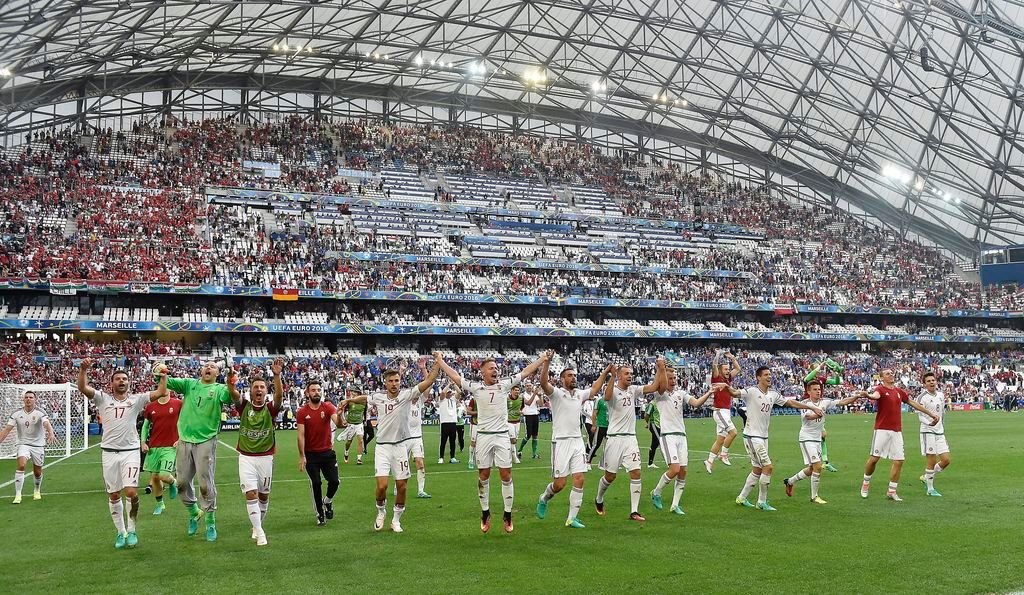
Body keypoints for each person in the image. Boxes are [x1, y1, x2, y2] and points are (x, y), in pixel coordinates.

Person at [436, 353, 547, 533]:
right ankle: (485, 512)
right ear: (482, 372)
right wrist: (440, 362)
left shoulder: (504, 385)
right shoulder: (476, 388)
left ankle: (508, 514)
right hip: (484, 436)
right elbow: (456, 376)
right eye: (491, 368)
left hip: (502, 435)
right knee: (483, 475)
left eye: (496, 368)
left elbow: (526, 372)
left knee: (506, 475)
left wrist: (542, 360)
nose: (495, 370)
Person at [340, 355, 441, 532]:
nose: (394, 383)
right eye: (391, 381)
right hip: (383, 447)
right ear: (385, 382)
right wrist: (349, 400)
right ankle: (381, 511)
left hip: (401, 446)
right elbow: (364, 398)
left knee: (402, 486)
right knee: (382, 486)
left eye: (397, 380)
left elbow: (430, 380)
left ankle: (396, 519)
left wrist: (438, 362)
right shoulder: (378, 396)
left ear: (400, 381)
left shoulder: (407, 394)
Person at [77, 358, 168, 549]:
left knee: (132, 492)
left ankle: (132, 529)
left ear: (129, 383)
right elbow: (83, 388)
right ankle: (121, 532)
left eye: (124, 379)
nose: (121, 381)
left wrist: (163, 375)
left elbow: (160, 392)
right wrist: (83, 370)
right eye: (117, 379)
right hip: (109, 453)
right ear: (112, 383)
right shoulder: (103, 398)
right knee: (113, 495)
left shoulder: (136, 400)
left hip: (130, 452)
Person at [723, 365, 823, 511]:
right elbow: (734, 392)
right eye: (765, 375)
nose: (769, 377)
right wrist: (724, 386)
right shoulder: (751, 391)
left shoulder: (773, 394)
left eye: (770, 374)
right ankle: (761, 502)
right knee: (768, 467)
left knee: (757, 469)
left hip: (763, 437)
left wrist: (812, 407)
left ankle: (742, 498)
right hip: (752, 436)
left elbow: (791, 403)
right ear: (758, 377)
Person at [159, 360, 238, 541]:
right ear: (201, 370)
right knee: (181, 484)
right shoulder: (189, 384)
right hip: (185, 440)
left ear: (218, 373)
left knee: (204, 485)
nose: (208, 367)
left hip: (206, 440)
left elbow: (232, 396)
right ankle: (194, 512)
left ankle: (210, 521)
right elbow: (166, 381)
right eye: (206, 365)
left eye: (213, 366)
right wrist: (160, 371)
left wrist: (230, 378)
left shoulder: (219, 389)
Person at [536, 356, 611, 528]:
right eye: (569, 375)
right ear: (562, 379)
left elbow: (593, 389)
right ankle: (544, 497)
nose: (573, 378)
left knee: (579, 478)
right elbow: (543, 383)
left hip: (577, 441)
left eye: (574, 375)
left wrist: (606, 372)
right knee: (560, 484)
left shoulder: (579, 394)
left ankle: (571, 518)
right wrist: (546, 363)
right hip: (561, 442)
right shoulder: (556, 393)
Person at [857, 369, 939, 501]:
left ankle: (892, 491)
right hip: (882, 429)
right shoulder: (881, 389)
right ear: (882, 378)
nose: (891, 374)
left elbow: (912, 403)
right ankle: (865, 483)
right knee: (874, 459)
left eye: (892, 373)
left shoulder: (899, 391)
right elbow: (875, 396)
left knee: (899, 460)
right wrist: (868, 395)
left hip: (896, 431)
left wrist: (930, 414)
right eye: (888, 373)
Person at [649, 364, 720, 515]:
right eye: (670, 378)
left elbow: (696, 403)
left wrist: (710, 392)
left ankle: (675, 505)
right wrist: (661, 370)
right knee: (674, 469)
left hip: (682, 436)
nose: (674, 380)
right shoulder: (659, 394)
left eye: (675, 378)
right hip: (668, 436)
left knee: (683, 471)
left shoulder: (681, 393)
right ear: (664, 379)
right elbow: (659, 385)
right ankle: (656, 492)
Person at [595, 361, 661, 522]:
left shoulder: (633, 390)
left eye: (631, 373)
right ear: (619, 376)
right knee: (610, 477)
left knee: (636, 472)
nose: (630, 376)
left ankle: (634, 511)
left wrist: (660, 368)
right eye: (626, 373)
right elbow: (607, 397)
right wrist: (611, 376)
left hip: (630, 438)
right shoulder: (612, 389)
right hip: (614, 439)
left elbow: (653, 387)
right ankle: (599, 499)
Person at [231, 358, 283, 547]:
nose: (259, 389)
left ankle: (257, 525)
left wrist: (276, 375)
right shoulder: (244, 406)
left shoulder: (270, 409)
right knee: (251, 494)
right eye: (256, 387)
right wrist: (231, 381)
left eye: (262, 387)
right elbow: (233, 394)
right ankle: (260, 532)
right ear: (251, 390)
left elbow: (279, 398)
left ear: (266, 391)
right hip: (246, 457)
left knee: (263, 496)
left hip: (266, 458)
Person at [782, 379, 860, 503]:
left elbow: (842, 402)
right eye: (815, 389)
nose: (818, 391)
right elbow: (807, 416)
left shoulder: (825, 402)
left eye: (819, 389)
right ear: (809, 391)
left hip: (817, 439)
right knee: (818, 466)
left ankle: (790, 481)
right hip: (806, 438)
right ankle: (814, 497)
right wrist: (816, 414)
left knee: (812, 469)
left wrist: (856, 397)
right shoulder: (804, 403)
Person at [297, 380, 341, 526]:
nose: (316, 392)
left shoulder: (327, 407)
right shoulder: (302, 412)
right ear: (307, 393)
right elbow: (301, 435)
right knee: (316, 483)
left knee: (335, 482)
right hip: (311, 455)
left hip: (327, 452)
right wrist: (302, 456)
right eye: (313, 390)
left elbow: (338, 422)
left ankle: (327, 501)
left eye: (318, 390)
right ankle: (320, 514)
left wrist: (341, 417)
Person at [0, 391, 56, 504]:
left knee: (37, 472)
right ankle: (18, 495)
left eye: (31, 397)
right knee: (21, 465)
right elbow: (7, 429)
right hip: (23, 444)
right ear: (23, 399)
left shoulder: (40, 412)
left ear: (35, 399)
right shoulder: (16, 413)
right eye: (26, 397)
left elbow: (46, 423)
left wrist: (50, 432)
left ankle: (36, 490)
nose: (28, 399)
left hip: (38, 445)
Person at [141, 383, 182, 515]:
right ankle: (160, 504)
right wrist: (143, 442)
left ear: (170, 388)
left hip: (171, 446)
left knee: (163, 475)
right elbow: (146, 426)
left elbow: (185, 422)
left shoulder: (178, 404)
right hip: (154, 447)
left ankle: (173, 482)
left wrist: (180, 439)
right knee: (154, 478)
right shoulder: (150, 406)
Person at [705, 350, 740, 473]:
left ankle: (709, 461)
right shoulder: (716, 378)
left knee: (720, 440)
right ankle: (723, 454)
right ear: (720, 371)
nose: (728, 371)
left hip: (725, 412)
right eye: (725, 369)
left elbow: (738, 368)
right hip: (720, 411)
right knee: (733, 432)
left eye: (728, 369)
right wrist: (718, 354)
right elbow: (714, 365)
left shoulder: (728, 379)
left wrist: (732, 357)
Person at [916, 371, 951, 497]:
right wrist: (929, 423)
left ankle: (926, 477)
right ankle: (930, 489)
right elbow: (920, 416)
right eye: (928, 381)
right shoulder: (921, 398)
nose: (931, 382)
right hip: (927, 431)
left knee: (946, 460)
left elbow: (943, 413)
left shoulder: (941, 395)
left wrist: (942, 426)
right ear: (924, 384)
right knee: (931, 460)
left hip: (939, 431)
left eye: (933, 380)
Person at [339, 388, 366, 465]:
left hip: (359, 424)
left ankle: (359, 459)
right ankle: (346, 452)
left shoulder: (363, 402)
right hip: (351, 424)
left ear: (358, 393)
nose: (353, 393)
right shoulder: (349, 402)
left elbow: (366, 410)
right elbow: (341, 410)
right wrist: (343, 419)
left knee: (360, 440)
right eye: (352, 392)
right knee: (348, 442)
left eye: (355, 392)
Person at [517, 385, 541, 460]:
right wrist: (535, 394)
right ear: (525, 387)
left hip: (535, 415)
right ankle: (520, 450)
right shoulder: (523, 395)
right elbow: (528, 403)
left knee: (535, 435)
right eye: (527, 386)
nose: (529, 387)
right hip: (528, 416)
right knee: (528, 435)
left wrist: (540, 396)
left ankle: (534, 454)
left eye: (530, 386)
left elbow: (541, 404)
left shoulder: (535, 395)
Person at [437, 385, 460, 464]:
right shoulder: (442, 400)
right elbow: (443, 393)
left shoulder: (453, 400)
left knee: (452, 441)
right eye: (448, 393)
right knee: (443, 441)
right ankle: (441, 457)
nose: (450, 394)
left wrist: (454, 385)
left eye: (450, 393)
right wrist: (449, 384)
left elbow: (459, 392)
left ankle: (452, 457)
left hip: (453, 422)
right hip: (445, 422)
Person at [587, 393, 609, 465]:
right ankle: (588, 461)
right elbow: (594, 413)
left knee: (610, 445)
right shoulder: (599, 400)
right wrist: (594, 425)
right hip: (601, 425)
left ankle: (606, 463)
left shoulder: (611, 400)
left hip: (609, 426)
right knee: (597, 444)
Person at [507, 385, 525, 464]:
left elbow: (522, 407)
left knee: (514, 441)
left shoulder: (521, 399)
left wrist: (520, 411)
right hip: (509, 422)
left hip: (517, 421)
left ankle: (509, 455)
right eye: (515, 390)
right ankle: (515, 457)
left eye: (518, 390)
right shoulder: (506, 399)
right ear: (512, 390)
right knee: (513, 440)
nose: (517, 392)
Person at [643, 397, 660, 469]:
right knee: (661, 442)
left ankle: (650, 463)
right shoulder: (652, 404)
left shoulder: (661, 403)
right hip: (654, 424)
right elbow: (646, 415)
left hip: (660, 425)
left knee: (654, 444)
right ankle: (670, 462)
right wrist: (648, 423)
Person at [466, 396, 478, 470]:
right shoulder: (474, 400)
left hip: (485, 424)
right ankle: (470, 459)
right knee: (473, 442)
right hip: (475, 424)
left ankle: (478, 459)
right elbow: (468, 411)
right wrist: (477, 413)